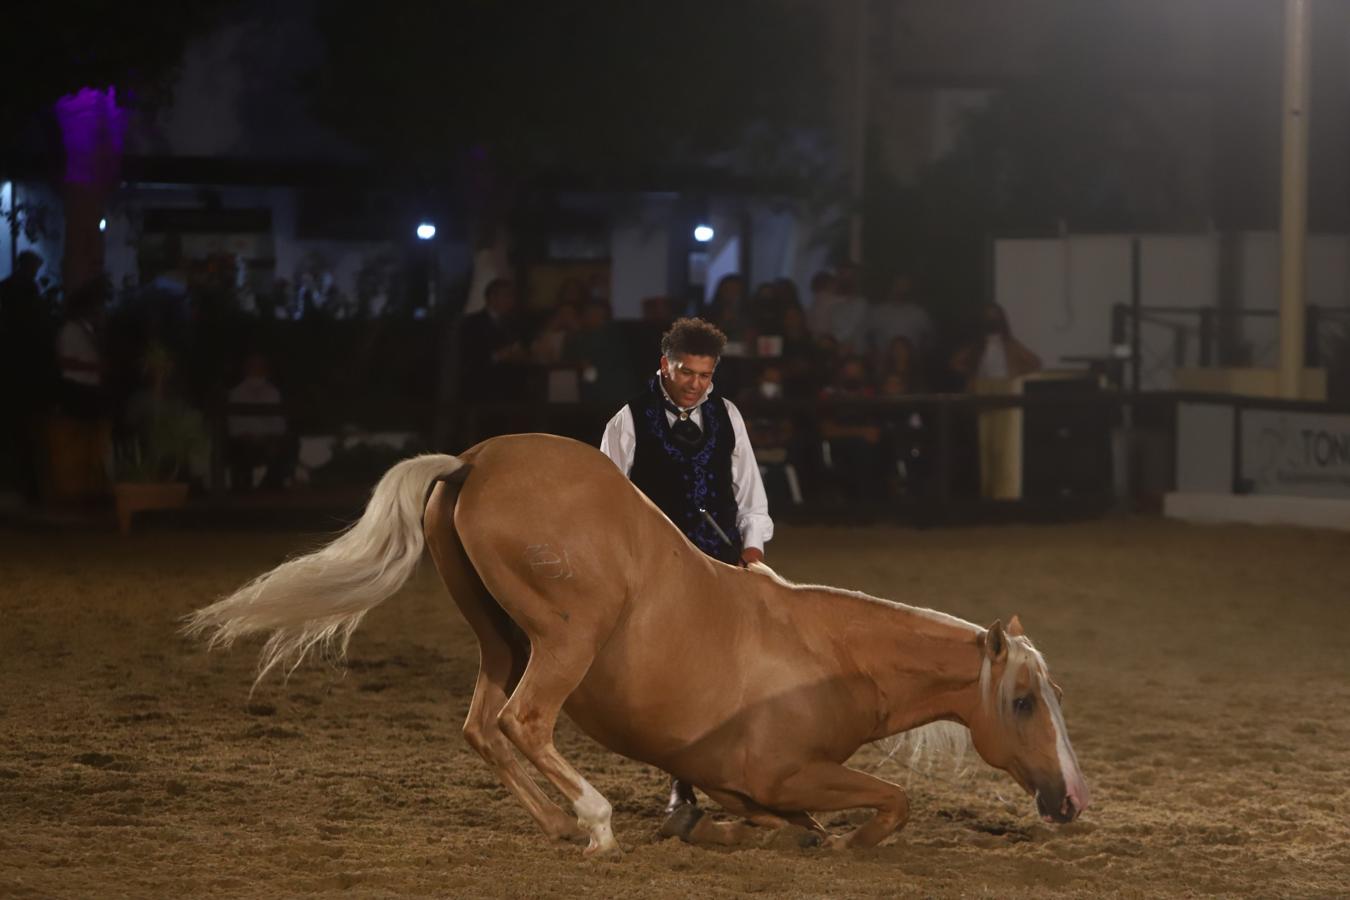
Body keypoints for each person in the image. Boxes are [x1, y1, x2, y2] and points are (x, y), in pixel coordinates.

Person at [599, 316, 773, 816]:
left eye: (705, 375)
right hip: (656, 570)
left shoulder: (728, 415)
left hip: (720, 562)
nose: (696, 384)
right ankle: (683, 785)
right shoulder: (628, 420)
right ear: (665, 365)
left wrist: (753, 549)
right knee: (679, 681)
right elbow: (608, 504)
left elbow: (750, 494)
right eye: (686, 373)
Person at [950, 301, 1042, 387]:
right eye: (988, 316)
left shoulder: (1010, 344)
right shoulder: (976, 344)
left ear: (1001, 319)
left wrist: (1017, 373)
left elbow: (1035, 363)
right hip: (981, 390)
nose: (992, 319)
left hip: (1006, 389)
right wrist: (972, 371)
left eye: (995, 316)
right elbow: (955, 363)